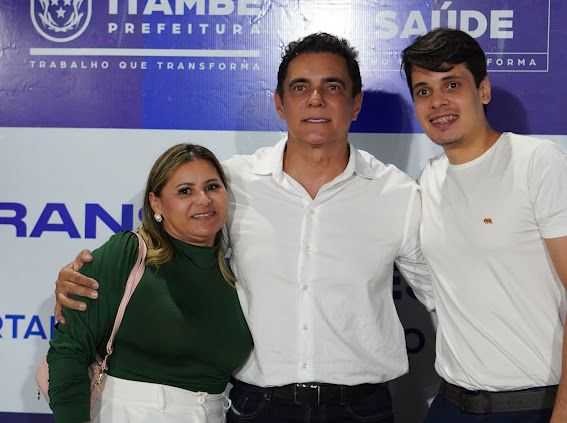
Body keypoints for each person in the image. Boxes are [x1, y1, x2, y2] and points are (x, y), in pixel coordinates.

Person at [53, 33, 434, 422]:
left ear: (356, 104)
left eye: (332, 87)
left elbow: (447, 292)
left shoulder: (397, 194)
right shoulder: (230, 184)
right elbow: (159, 248)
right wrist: (82, 282)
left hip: (362, 409)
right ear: (279, 103)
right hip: (259, 407)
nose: (315, 99)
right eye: (300, 87)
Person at [401, 28, 567, 422]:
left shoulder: (537, 162)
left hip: (532, 406)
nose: (437, 102)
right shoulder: (428, 180)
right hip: (448, 404)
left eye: (452, 84)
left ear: (484, 90)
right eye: (423, 90)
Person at [47, 144, 253, 423]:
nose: (203, 200)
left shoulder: (234, 271)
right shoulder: (128, 253)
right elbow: (69, 349)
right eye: (185, 191)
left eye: (212, 187)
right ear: (156, 203)